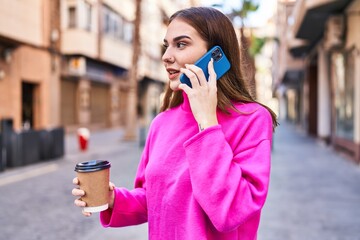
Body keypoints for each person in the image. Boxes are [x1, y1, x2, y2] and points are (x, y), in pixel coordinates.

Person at [72, 6, 278, 240]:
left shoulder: (251, 120)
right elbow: (154, 200)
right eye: (166, 45)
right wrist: (113, 200)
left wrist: (208, 124)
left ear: (215, 54)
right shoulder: (162, 122)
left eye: (180, 44)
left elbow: (229, 212)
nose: (166, 56)